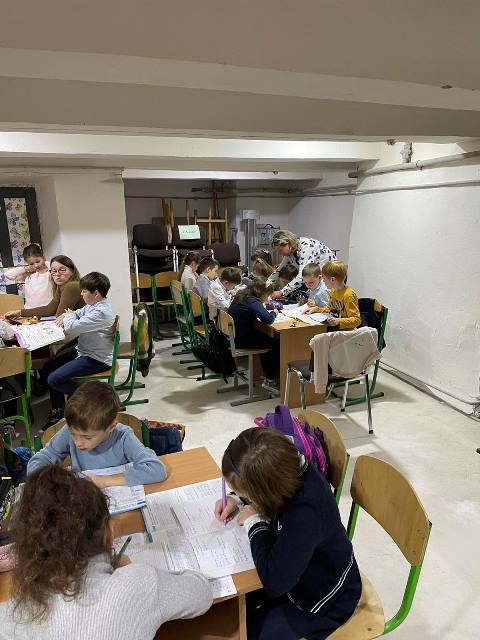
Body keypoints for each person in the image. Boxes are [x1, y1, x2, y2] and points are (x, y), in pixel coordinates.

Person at [0, 465, 212, 639]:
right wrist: (131, 571)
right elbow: (202, 593)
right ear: (109, 532)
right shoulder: (137, 583)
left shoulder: (13, 614)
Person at [215, 428, 361, 640]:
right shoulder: (287, 469)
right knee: (225, 611)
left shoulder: (305, 513)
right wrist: (237, 499)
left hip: (323, 597)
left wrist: (254, 523)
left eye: (245, 494)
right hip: (295, 571)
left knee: (244, 633)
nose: (244, 498)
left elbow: (276, 582)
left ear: (263, 491)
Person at [27, 381, 167, 487]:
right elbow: (40, 460)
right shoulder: (70, 431)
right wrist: (47, 480)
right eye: (73, 434)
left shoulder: (123, 437)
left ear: (111, 427)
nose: (77, 442)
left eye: (87, 437)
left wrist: (105, 481)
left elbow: (157, 469)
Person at [42, 271, 115, 425]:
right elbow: (76, 313)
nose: (81, 294)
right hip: (84, 351)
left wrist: (68, 316)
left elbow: (71, 328)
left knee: (53, 379)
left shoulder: (101, 312)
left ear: (96, 293)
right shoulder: (93, 305)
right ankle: (58, 408)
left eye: (84, 291)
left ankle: (90, 399)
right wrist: (70, 315)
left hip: (96, 359)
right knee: (48, 366)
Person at [228, 278, 280, 387]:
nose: (267, 298)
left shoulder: (241, 294)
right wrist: (274, 312)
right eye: (268, 295)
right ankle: (271, 377)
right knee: (276, 344)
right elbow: (268, 319)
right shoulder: (252, 301)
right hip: (242, 340)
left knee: (266, 337)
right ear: (263, 293)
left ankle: (266, 373)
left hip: (232, 336)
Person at [4, 255, 83, 321]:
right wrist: (19, 312)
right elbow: (49, 309)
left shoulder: (71, 286)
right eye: (54, 271)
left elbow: (59, 315)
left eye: (62, 270)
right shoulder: (61, 287)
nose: (57, 274)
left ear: (72, 271)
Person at [269, 230, 335, 300]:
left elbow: (301, 276)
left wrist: (282, 292)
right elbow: (278, 270)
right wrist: (266, 287)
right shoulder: (292, 250)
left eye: (280, 250)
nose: (280, 253)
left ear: (288, 243)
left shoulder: (307, 246)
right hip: (318, 280)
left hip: (330, 279)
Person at [306, 261, 361, 330]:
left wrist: (339, 321)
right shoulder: (333, 291)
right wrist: (315, 309)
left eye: (324, 278)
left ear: (332, 279)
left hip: (346, 332)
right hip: (334, 328)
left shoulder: (348, 295)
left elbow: (357, 320)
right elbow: (329, 310)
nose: (323, 281)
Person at [4, 243, 52, 309]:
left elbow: (54, 266)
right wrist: (26, 268)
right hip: (29, 310)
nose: (36, 265)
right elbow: (8, 274)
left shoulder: (50, 273)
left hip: (48, 309)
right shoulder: (28, 275)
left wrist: (45, 262)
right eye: (31, 264)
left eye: (38, 261)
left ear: (43, 258)